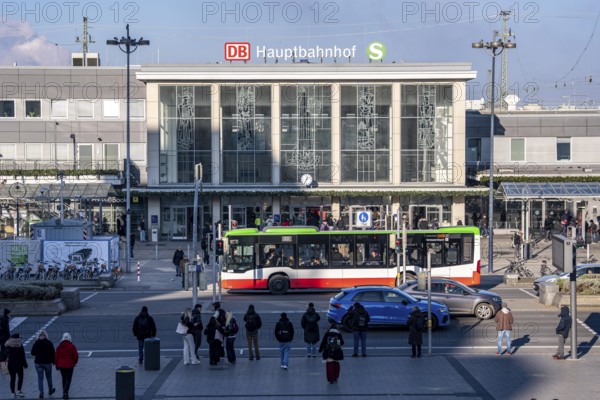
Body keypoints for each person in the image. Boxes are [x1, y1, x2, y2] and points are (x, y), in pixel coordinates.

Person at [30, 329, 56, 399]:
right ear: (45, 335)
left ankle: (41, 393)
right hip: (47, 363)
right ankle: (50, 389)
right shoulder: (49, 342)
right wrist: (54, 362)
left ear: (39, 335)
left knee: (40, 378)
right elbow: (53, 353)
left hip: (38, 363)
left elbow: (32, 353)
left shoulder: (36, 343)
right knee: (49, 377)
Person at [55, 333, 78, 400]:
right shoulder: (72, 346)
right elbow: (75, 356)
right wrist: (75, 362)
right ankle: (65, 392)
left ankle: (65, 394)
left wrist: (57, 365)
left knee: (64, 379)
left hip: (61, 365)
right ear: (69, 338)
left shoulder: (59, 346)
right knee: (68, 379)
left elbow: (56, 356)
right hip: (70, 365)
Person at [6, 333, 27, 398]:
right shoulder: (20, 346)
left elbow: (5, 354)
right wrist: (25, 364)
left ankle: (13, 393)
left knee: (12, 378)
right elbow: (22, 357)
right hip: (19, 365)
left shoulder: (8, 345)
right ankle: (19, 390)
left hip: (11, 365)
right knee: (20, 377)